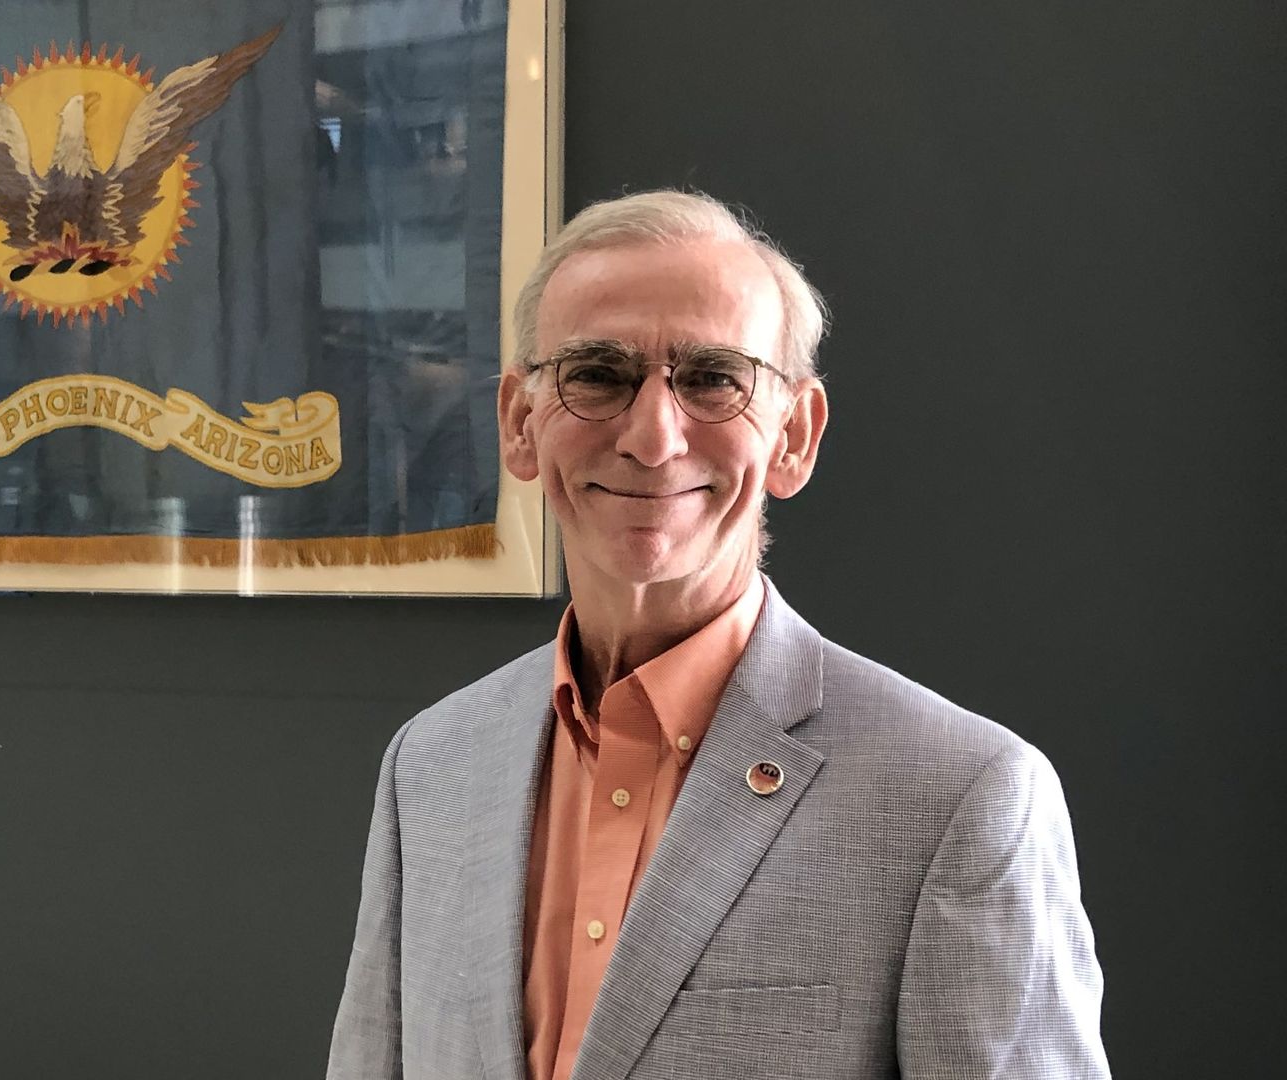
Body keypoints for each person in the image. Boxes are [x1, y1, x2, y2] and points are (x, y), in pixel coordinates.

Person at [325, 190, 1108, 1079]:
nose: (654, 438)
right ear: (519, 424)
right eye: (596, 374)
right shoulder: (428, 764)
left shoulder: (959, 798)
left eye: (712, 379)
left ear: (793, 437)